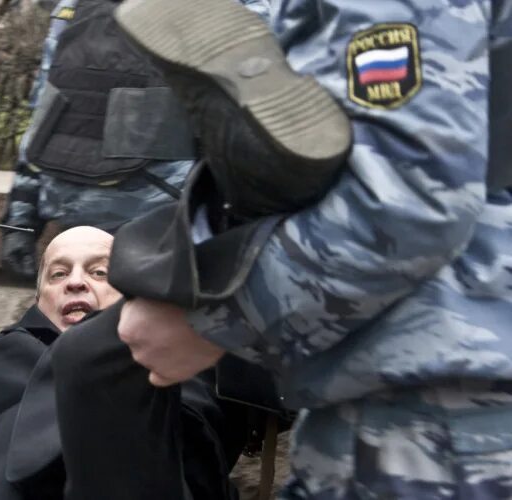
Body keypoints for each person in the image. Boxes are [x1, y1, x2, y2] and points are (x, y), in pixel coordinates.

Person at [67, 0, 512, 498]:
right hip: (441, 398)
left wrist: (212, 320)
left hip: (441, 416)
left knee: (90, 360)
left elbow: (409, 203)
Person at [0, 225, 252, 499]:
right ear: (39, 300)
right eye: (57, 274)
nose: (74, 281)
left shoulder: (185, 358)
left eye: (101, 272)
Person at [0, 0, 195, 280]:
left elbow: (242, 127)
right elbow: (47, 113)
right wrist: (20, 221)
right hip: (76, 228)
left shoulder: (222, 9)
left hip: (163, 235)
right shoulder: (74, 6)